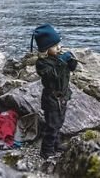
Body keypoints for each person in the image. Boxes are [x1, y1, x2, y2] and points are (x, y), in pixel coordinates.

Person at [31, 24, 78, 159]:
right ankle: (46, 150)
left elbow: (72, 69)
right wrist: (61, 62)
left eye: (59, 44)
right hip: (51, 99)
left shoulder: (58, 57)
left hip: (62, 96)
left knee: (59, 122)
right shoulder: (42, 63)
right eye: (55, 46)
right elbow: (52, 75)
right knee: (52, 125)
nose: (59, 47)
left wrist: (71, 60)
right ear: (45, 49)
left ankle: (56, 144)